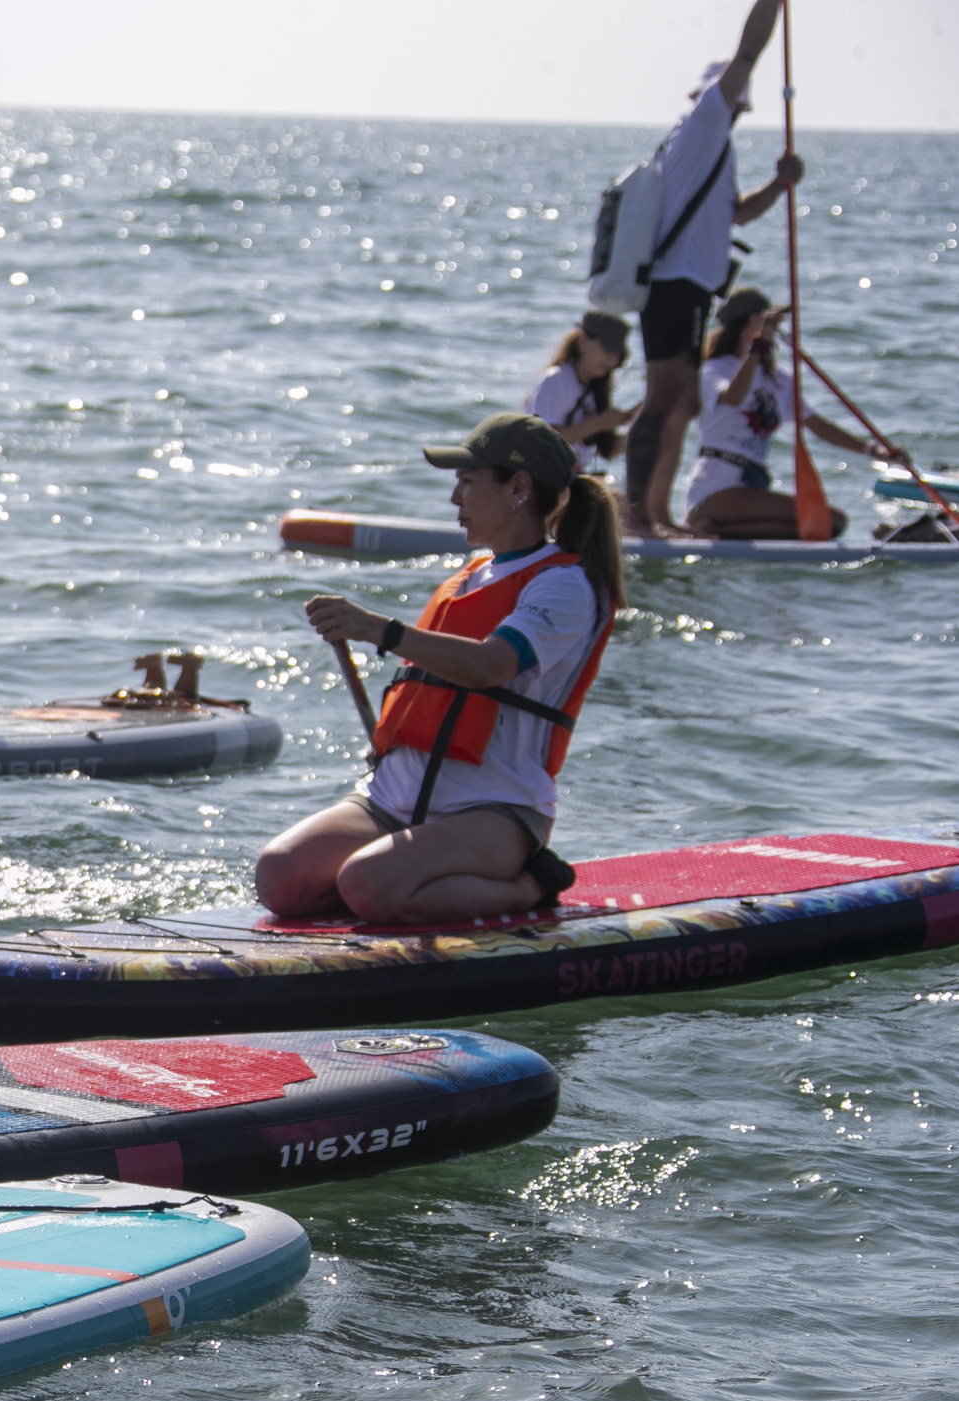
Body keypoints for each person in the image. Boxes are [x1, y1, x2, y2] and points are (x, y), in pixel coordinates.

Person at [254, 415, 625, 925]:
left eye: (468, 483)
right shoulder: (471, 576)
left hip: (492, 809)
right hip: (393, 798)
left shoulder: (563, 585)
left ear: (518, 487)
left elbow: (491, 665)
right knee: (279, 876)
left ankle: (528, 885)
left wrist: (381, 630)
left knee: (367, 884)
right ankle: (403, 880)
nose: (455, 499)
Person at [624, 0, 804, 537]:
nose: (740, 103)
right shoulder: (703, 123)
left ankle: (657, 515)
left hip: (694, 286)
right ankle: (636, 519)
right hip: (673, 282)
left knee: (681, 401)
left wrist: (779, 184)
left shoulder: (715, 148)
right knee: (662, 399)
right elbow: (747, 52)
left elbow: (735, 216)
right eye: (735, 94)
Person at [682, 290, 903, 539]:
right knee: (828, 523)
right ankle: (706, 525)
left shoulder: (779, 381)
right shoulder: (714, 369)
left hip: (752, 483)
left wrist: (875, 452)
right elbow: (733, 398)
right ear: (749, 322)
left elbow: (819, 426)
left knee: (829, 525)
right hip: (715, 487)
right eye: (770, 322)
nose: (776, 328)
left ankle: (716, 530)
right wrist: (757, 348)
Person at [525, 311, 634, 475]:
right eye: (606, 349)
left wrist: (639, 421)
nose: (612, 359)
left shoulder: (593, 389)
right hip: (544, 478)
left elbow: (608, 449)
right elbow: (545, 440)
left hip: (572, 476)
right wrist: (600, 423)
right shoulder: (556, 380)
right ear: (583, 341)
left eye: (617, 354)